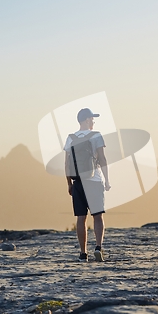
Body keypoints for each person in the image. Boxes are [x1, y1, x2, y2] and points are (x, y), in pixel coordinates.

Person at [64, 108, 111, 262]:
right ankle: (98, 247)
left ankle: (83, 253)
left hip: (78, 182)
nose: (93, 121)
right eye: (91, 118)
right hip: (94, 180)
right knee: (97, 216)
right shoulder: (96, 135)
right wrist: (107, 180)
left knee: (81, 218)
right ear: (85, 120)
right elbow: (102, 159)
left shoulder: (70, 138)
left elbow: (66, 164)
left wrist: (69, 184)